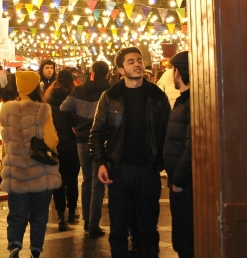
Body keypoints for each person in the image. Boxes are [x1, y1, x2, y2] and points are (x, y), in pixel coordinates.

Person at [89, 47, 170, 258]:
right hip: (120, 169)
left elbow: (167, 133)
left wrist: (163, 164)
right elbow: (96, 133)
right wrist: (101, 162)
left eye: (139, 60)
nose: (137, 65)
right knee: (118, 230)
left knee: (149, 230)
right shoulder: (110, 97)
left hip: (148, 170)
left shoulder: (157, 96)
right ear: (121, 69)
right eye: (131, 61)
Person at [0, 70, 62, 258]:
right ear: (35, 87)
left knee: (17, 214)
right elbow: (51, 141)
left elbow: (6, 143)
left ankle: (14, 244)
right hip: (41, 173)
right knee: (39, 215)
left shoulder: (6, 110)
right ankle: (35, 249)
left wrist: (3, 169)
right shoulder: (42, 109)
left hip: (16, 172)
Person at [60, 60, 111, 237]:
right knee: (98, 182)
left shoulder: (79, 90)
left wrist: (74, 124)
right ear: (107, 74)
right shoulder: (109, 91)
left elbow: (64, 107)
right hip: (101, 141)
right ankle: (94, 224)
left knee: (87, 179)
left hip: (82, 139)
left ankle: (87, 221)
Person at [163, 51, 193, 258]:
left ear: (178, 72)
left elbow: (192, 145)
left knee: (186, 238)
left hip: (185, 183)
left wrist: (178, 179)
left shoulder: (189, 103)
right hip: (180, 181)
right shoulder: (183, 101)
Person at [48, 69, 79, 231]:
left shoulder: (49, 98)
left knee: (58, 181)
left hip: (56, 145)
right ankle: (72, 211)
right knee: (72, 180)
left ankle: (60, 214)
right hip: (72, 145)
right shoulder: (75, 97)